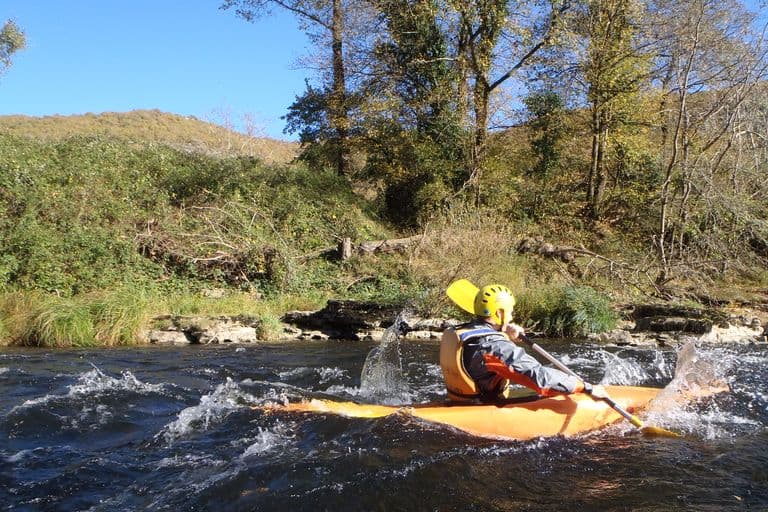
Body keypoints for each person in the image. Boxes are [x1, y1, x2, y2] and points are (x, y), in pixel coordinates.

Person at [440, 283, 605, 402]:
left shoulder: (464, 332)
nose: (512, 317)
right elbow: (540, 379)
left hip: (461, 400)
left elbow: (486, 346)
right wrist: (584, 387)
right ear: (499, 312)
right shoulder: (495, 346)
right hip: (481, 405)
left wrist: (503, 332)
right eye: (511, 312)